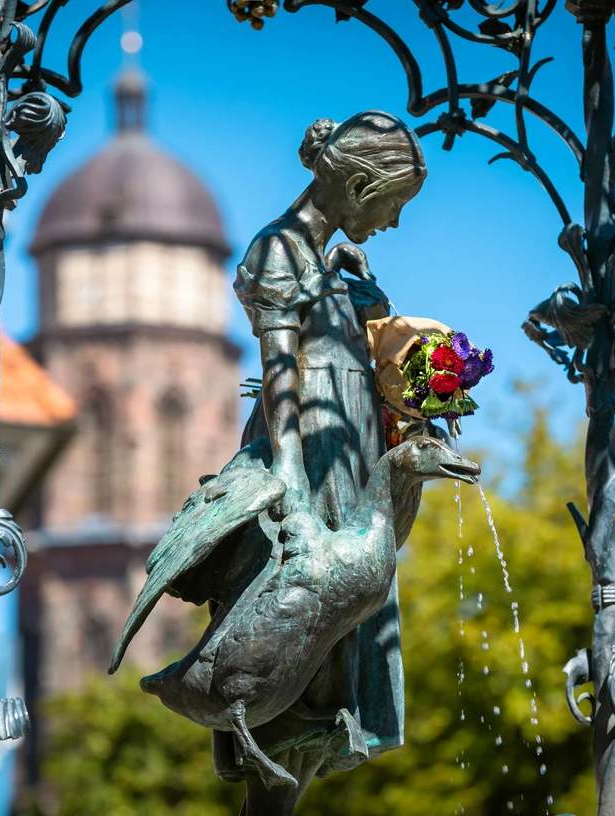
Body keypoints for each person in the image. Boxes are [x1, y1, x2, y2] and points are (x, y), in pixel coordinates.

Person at [224, 110, 427, 813]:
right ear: (361, 185)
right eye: (393, 206)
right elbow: (281, 377)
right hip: (312, 465)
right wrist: (292, 492)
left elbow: (342, 356)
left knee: (335, 664)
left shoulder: (317, 259)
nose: (394, 223)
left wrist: (357, 299)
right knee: (304, 672)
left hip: (345, 461)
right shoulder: (278, 250)